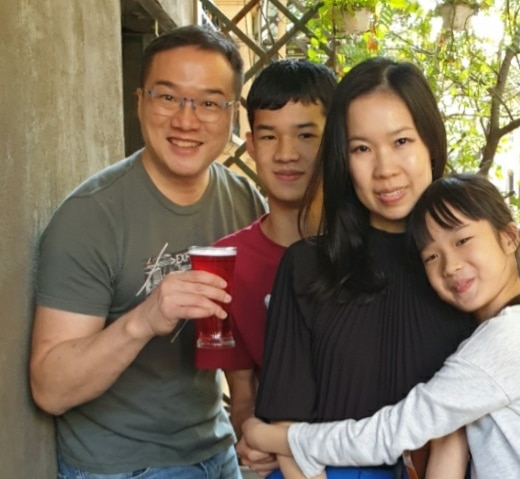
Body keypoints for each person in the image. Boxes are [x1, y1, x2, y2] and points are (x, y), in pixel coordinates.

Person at [242, 174, 520, 479]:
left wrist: (272, 438)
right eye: (432, 256)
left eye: (462, 240)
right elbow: (446, 436)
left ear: (509, 238)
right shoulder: (509, 331)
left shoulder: (510, 337)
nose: (451, 265)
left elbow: (392, 432)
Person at [30, 25, 266, 478]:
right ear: (139, 101)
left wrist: (244, 420)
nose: (186, 120)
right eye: (168, 97)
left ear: (232, 114)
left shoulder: (243, 201)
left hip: (215, 447)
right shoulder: (90, 217)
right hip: (122, 464)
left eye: (209, 102)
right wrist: (144, 318)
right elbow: (50, 388)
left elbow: (238, 333)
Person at [253, 57, 479, 479]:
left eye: (401, 142)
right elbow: (285, 431)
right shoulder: (305, 267)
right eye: (361, 148)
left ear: (431, 142)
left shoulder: (468, 272)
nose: (385, 169)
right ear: (343, 158)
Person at [194, 59, 337, 475]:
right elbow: (242, 391)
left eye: (306, 135)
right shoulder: (221, 266)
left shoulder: (370, 248)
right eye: (270, 136)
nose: (287, 154)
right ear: (251, 145)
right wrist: (250, 437)